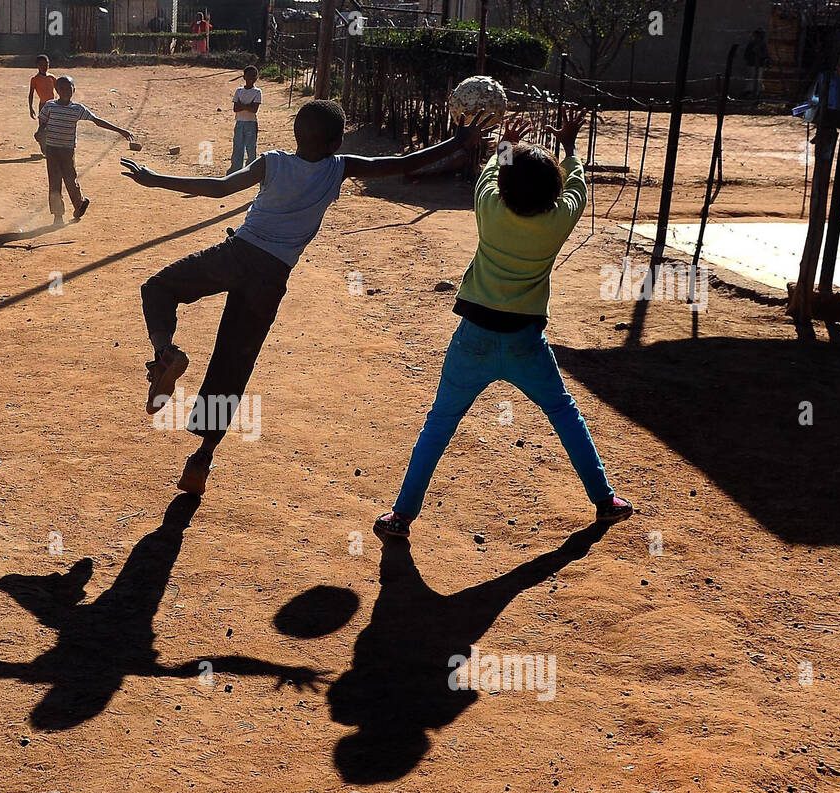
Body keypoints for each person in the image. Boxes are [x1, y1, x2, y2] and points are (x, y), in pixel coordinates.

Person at [120, 101, 493, 495]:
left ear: (296, 134)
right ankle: (201, 459)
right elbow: (401, 164)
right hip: (271, 279)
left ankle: (165, 354)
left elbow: (220, 189)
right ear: (336, 142)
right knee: (233, 364)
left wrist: (156, 178)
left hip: (236, 255)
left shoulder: (273, 162)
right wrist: (458, 143)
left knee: (158, 288)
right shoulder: (340, 168)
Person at [374, 109, 633, 540]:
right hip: (525, 342)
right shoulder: (559, 220)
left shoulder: (489, 208)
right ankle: (604, 500)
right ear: (552, 195)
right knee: (564, 413)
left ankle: (401, 517)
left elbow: (492, 173)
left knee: (440, 423)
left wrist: (506, 145)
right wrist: (567, 146)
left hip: (473, 337)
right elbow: (577, 184)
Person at [39, 76, 134, 224]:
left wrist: (120, 130)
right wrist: (40, 132)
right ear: (56, 90)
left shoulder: (77, 109)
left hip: (67, 150)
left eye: (69, 88)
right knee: (55, 182)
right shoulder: (49, 106)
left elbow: (97, 121)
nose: (65, 91)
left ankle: (79, 205)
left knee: (71, 179)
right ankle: (58, 216)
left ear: (74, 90)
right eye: (62, 88)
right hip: (52, 149)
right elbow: (42, 121)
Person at [229, 66, 263, 174]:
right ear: (244, 77)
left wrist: (242, 105)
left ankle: (250, 171)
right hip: (240, 122)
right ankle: (236, 169)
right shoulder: (239, 91)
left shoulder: (257, 92)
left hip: (251, 123)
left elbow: (254, 110)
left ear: (256, 78)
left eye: (253, 76)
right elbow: (235, 108)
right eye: (249, 75)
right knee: (237, 146)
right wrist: (248, 106)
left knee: (250, 147)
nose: (251, 78)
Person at [27, 54, 56, 156]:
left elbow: (60, 90)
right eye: (42, 65)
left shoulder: (52, 77)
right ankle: (44, 147)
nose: (44, 67)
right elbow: (31, 94)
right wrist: (30, 108)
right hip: (43, 106)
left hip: (53, 105)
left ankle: (48, 148)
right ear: (37, 66)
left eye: (46, 64)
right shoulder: (34, 79)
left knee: (52, 128)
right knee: (43, 128)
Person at [744, 29, 771, 100]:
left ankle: (756, 95)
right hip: (752, 65)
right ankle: (749, 94)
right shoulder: (752, 44)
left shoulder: (762, 44)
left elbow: (765, 55)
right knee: (752, 79)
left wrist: (764, 58)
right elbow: (746, 55)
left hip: (759, 66)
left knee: (758, 80)